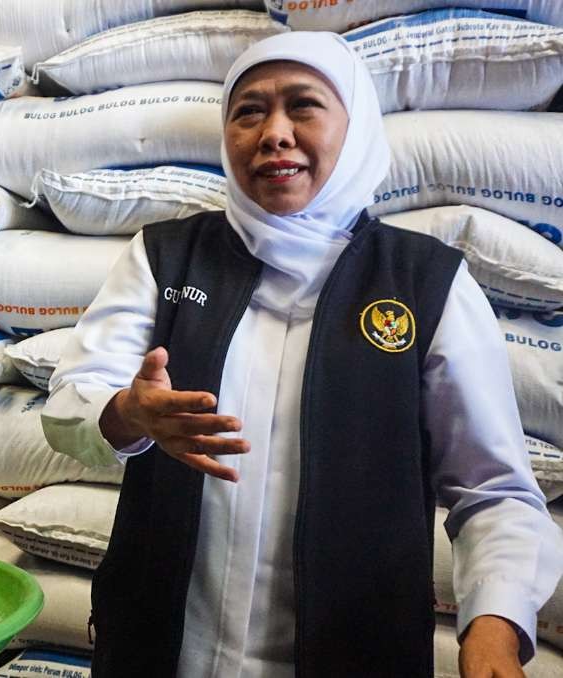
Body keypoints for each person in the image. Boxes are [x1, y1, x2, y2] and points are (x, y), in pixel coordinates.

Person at [41, 32, 563, 678]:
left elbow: (493, 490)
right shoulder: (165, 256)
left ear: (357, 127)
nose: (275, 133)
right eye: (249, 111)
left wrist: (493, 628)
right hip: (160, 655)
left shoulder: (424, 284)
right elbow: (69, 402)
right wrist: (126, 413)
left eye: (305, 106)